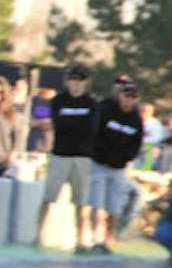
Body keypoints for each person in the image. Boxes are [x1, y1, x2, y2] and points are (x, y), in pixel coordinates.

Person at [35, 64, 98, 249]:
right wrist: (72, 125)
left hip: (82, 157)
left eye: (80, 80)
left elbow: (91, 129)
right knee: (48, 197)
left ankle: (81, 238)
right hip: (60, 154)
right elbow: (57, 124)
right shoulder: (58, 101)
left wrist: (69, 125)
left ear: (86, 83)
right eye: (73, 80)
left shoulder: (92, 103)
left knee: (81, 201)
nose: (76, 84)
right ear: (67, 81)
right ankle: (38, 235)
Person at [86, 75, 143, 254]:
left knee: (114, 205)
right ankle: (95, 238)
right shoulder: (105, 110)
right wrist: (102, 154)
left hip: (118, 167)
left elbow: (135, 146)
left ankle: (108, 238)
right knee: (96, 203)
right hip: (99, 163)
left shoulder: (136, 120)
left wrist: (121, 159)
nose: (128, 100)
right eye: (126, 95)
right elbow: (95, 135)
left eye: (133, 96)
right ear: (120, 95)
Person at [27, 84, 58, 154]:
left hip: (51, 147)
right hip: (33, 146)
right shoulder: (34, 100)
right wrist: (44, 122)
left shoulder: (59, 101)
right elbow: (29, 122)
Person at [134, 102, 163, 170]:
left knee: (151, 150)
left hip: (148, 146)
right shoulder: (134, 120)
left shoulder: (155, 124)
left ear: (151, 113)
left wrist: (140, 138)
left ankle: (145, 170)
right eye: (141, 111)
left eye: (145, 111)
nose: (143, 113)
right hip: (133, 145)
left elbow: (155, 138)